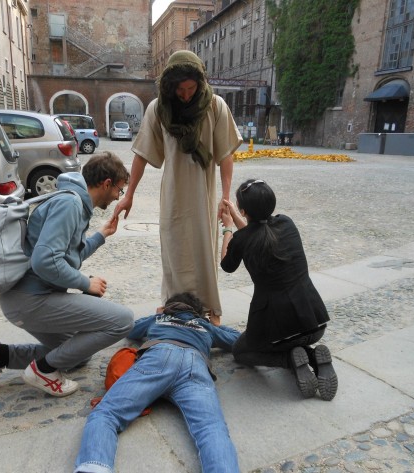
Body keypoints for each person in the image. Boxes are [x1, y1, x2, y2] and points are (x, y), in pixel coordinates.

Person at [0, 151, 135, 397]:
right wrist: (85, 283)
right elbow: (45, 261)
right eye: (119, 190)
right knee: (123, 320)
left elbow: (68, 257)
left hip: (25, 299)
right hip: (30, 300)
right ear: (106, 183)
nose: (117, 197)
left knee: (76, 353)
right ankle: (43, 371)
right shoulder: (70, 204)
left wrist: (101, 235)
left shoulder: (72, 202)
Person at [113, 50, 242, 326]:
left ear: (200, 84)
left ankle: (210, 306)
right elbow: (142, 154)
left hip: (203, 193)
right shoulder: (159, 109)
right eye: (179, 90)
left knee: (204, 248)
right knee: (174, 249)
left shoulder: (215, 106)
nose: (185, 95)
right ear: (169, 86)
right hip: (173, 193)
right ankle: (174, 302)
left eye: (191, 89)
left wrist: (225, 197)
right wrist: (129, 195)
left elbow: (225, 155)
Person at [74, 292, 241, 473]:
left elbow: (132, 330)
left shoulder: (159, 318)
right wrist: (215, 324)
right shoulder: (204, 325)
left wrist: (157, 314)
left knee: (108, 412)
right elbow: (236, 340)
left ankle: (95, 465)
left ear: (167, 307)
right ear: (197, 312)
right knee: (210, 427)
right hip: (195, 364)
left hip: (159, 356)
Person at [219, 179, 338, 401]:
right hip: (315, 323)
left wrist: (227, 227)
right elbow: (257, 234)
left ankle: (290, 360)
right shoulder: (287, 223)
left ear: (244, 211)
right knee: (295, 339)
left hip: (277, 332)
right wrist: (236, 215)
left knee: (241, 351)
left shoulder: (242, 239)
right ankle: (314, 356)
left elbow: (227, 264)